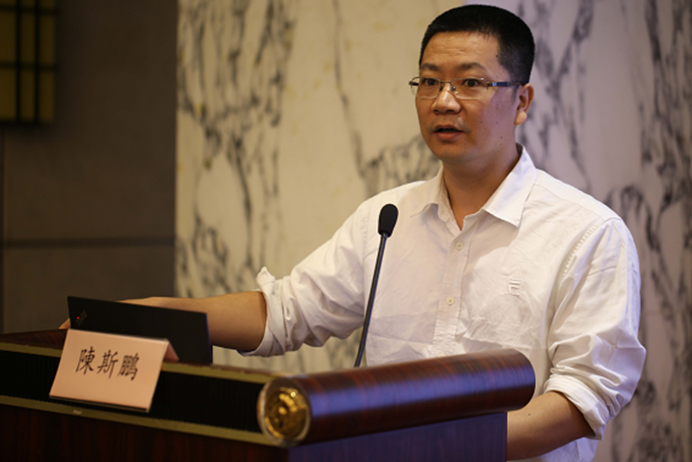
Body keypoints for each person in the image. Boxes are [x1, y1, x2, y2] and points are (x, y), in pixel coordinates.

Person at [62, 5, 646, 461]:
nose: (444, 101)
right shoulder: (386, 217)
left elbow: (583, 396)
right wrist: (160, 315)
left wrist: (439, 447)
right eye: (429, 81)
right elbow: (285, 313)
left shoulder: (587, 233)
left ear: (521, 101)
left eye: (470, 83)